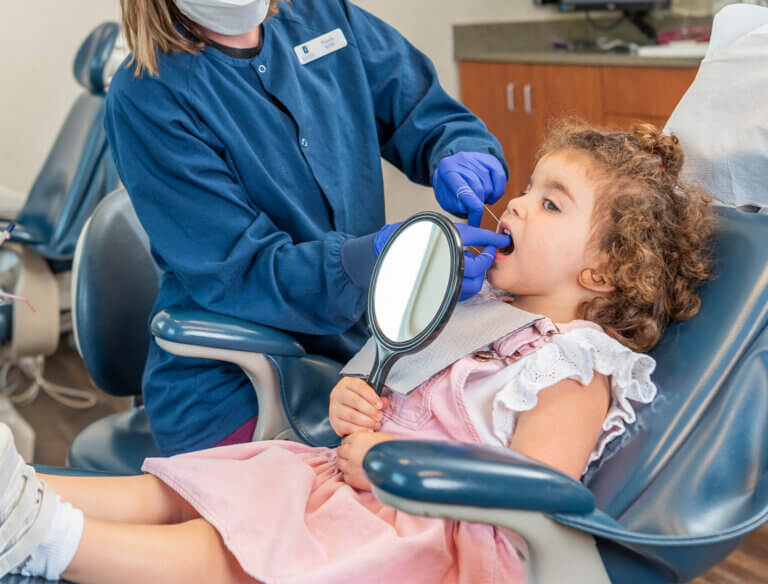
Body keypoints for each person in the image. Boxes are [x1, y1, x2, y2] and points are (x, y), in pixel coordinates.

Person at [0, 120, 715, 583]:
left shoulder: (576, 365)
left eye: (550, 203)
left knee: (229, 556)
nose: (519, 206)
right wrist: (360, 404)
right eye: (527, 189)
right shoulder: (487, 316)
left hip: (431, 536)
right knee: (185, 492)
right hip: (360, 483)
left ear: (604, 273)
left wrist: (384, 458)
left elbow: (530, 492)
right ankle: (17, 494)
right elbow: (405, 392)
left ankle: (49, 543)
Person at [104, 0, 510, 456]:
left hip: (365, 354)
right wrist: (375, 263)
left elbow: (421, 113)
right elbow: (242, 270)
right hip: (237, 376)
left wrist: (460, 150)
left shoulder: (321, 12)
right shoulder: (149, 95)